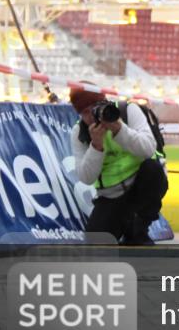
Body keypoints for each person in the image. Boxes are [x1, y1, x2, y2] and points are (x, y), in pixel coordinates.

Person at [69, 88, 168, 245]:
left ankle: (138, 232)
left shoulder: (128, 111)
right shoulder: (79, 132)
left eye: (97, 107)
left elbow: (149, 148)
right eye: (87, 112)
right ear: (80, 114)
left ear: (105, 102)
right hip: (110, 196)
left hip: (140, 185)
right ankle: (128, 228)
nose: (95, 115)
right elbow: (86, 178)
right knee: (95, 243)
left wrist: (119, 129)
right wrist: (96, 146)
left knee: (153, 170)